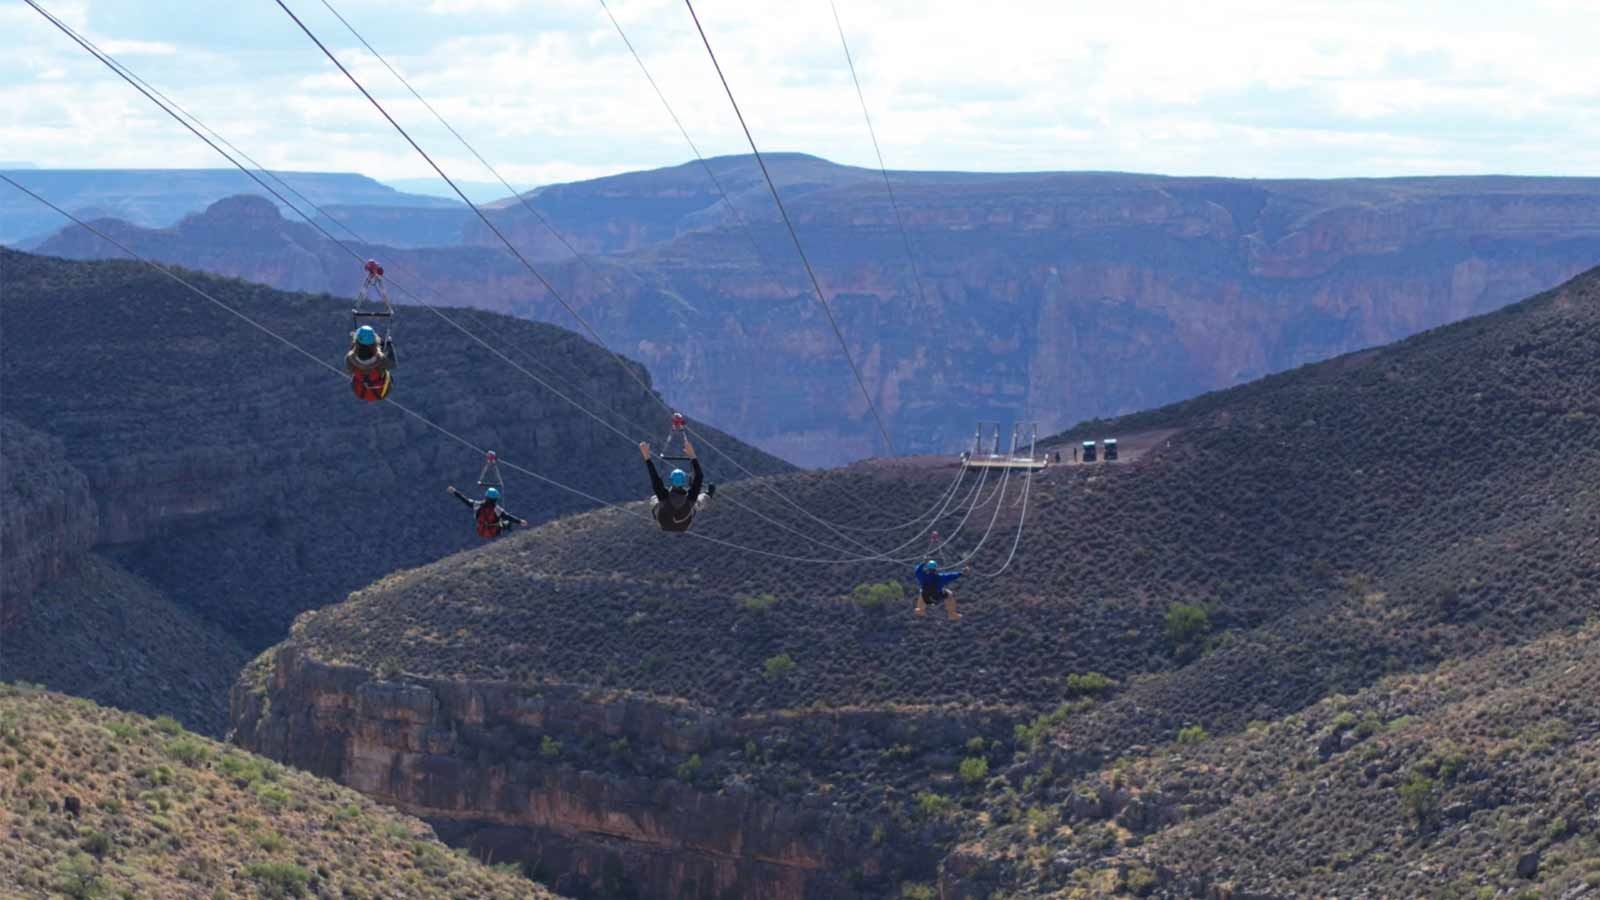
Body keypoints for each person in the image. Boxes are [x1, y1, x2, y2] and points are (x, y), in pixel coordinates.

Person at [640, 439, 713, 532]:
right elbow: (699, 476)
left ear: (670, 480)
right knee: (698, 501)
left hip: (664, 524)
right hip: (683, 525)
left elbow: (654, 478)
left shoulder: (663, 496)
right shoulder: (690, 498)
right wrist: (692, 456)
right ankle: (708, 494)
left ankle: (707, 495)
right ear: (684, 481)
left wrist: (647, 457)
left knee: (654, 498)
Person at [447, 485, 527, 539]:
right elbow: (508, 516)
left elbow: (465, 500)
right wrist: (520, 521)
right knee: (507, 522)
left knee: (502, 520)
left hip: (481, 531)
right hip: (493, 532)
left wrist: (454, 492)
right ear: (495, 499)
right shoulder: (497, 509)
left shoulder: (477, 505)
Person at [346, 325, 395, 402]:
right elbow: (392, 364)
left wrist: (353, 345)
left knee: (355, 374)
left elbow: (348, 371)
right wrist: (389, 345)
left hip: (360, 392)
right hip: (381, 392)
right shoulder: (381, 359)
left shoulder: (350, 358)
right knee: (387, 372)